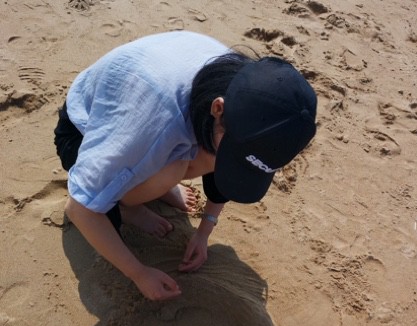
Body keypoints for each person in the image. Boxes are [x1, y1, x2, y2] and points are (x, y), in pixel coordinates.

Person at [54, 31, 317, 301]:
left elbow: (225, 163)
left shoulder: (246, 88)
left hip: (148, 118)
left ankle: (149, 183)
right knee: (178, 166)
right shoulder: (154, 122)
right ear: (218, 109)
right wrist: (139, 273)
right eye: (234, 157)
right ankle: (127, 205)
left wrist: (204, 231)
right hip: (82, 132)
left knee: (209, 152)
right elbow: (80, 207)